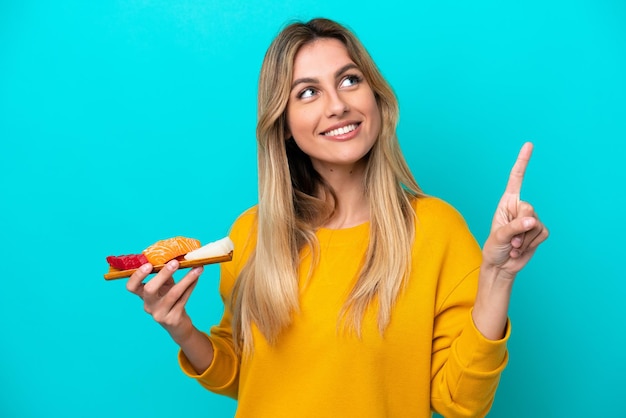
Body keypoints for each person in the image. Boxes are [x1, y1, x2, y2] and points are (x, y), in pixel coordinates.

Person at [126, 18, 548, 418]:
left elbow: (461, 402)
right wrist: (180, 328)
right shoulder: (252, 233)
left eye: (349, 80)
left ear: (375, 96)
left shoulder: (436, 231)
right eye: (307, 92)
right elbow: (245, 376)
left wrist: (498, 277)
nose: (338, 105)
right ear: (285, 124)